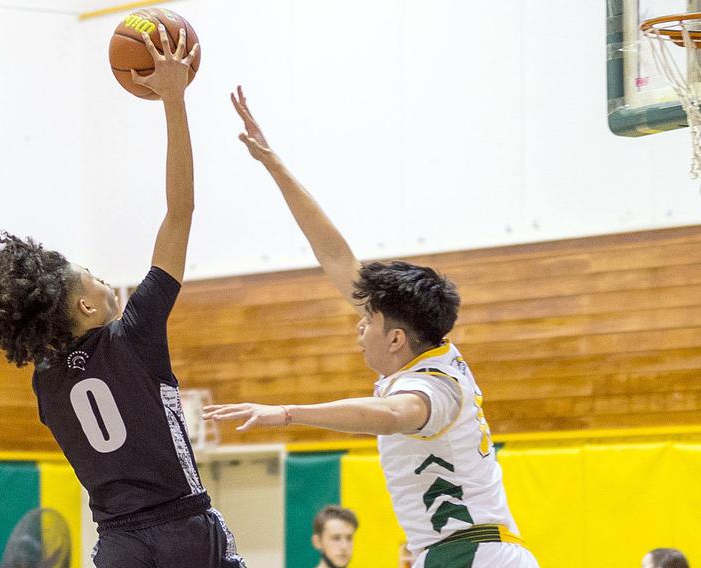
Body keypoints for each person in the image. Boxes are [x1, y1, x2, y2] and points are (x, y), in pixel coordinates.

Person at [202, 86, 538, 568]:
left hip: (471, 557)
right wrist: (273, 165)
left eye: (367, 320)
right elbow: (335, 256)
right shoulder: (430, 349)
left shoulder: (435, 387)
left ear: (396, 338)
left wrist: (288, 413)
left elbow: (393, 415)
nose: (358, 327)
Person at [0, 28, 245, 568]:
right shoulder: (134, 334)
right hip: (184, 528)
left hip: (119, 545)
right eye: (91, 275)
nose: (104, 277)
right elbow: (179, 213)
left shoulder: (46, 380)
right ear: (86, 307)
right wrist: (174, 102)